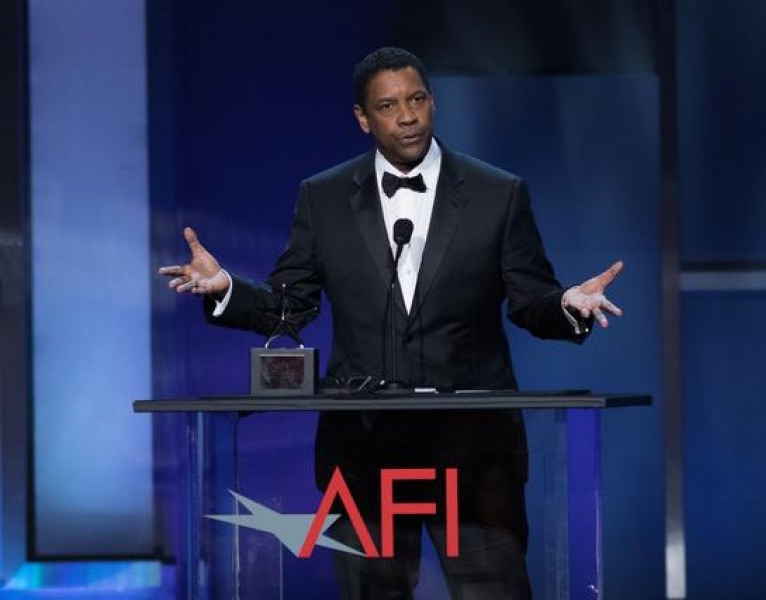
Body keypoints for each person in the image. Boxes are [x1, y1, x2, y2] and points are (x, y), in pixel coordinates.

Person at [160, 47, 623, 600]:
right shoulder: (324, 196)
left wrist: (569, 304)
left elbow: (531, 300)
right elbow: (291, 304)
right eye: (388, 105)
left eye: (417, 99)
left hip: (474, 452)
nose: (407, 116)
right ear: (363, 118)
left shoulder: (497, 192)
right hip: (364, 451)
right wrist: (227, 290)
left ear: (432, 102)